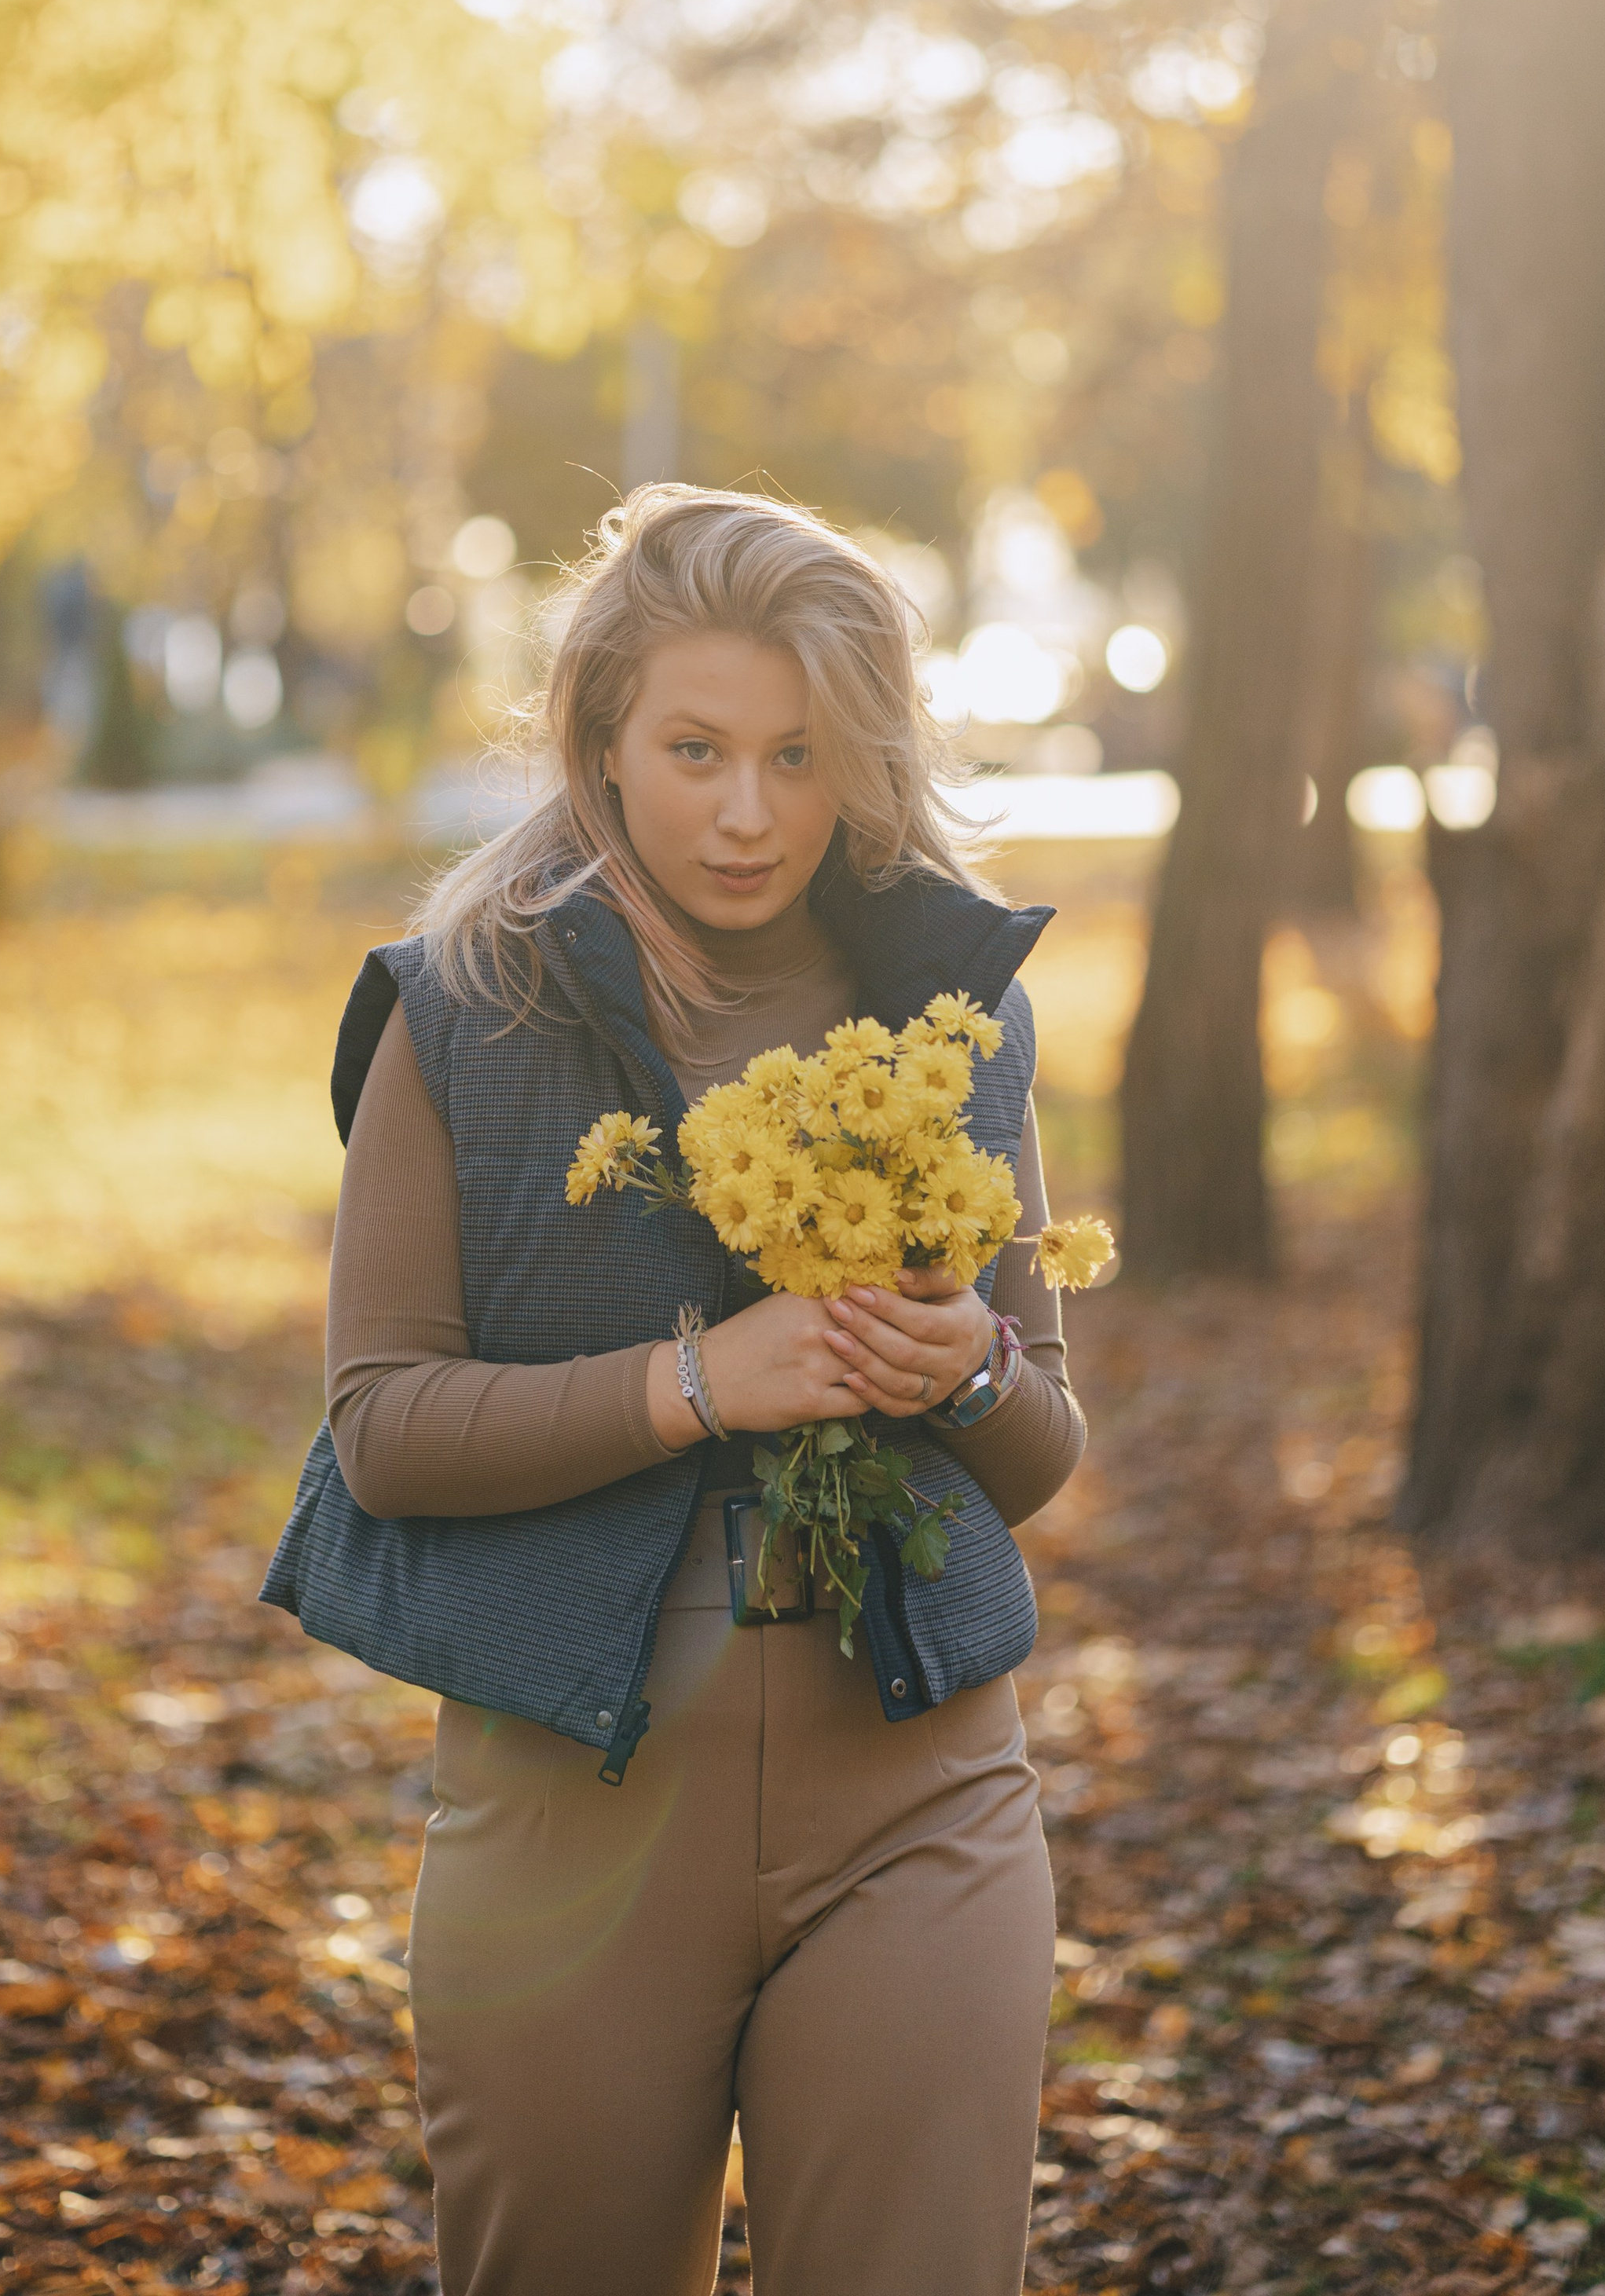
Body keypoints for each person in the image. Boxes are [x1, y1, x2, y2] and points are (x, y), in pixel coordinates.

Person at [263, 485, 1087, 2296]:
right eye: (694, 747)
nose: (745, 810)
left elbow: (1039, 1456)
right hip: (577, 1810)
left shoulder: (955, 1013)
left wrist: (965, 1364)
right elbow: (381, 1428)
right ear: (598, 742)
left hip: (922, 1796)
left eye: (797, 755)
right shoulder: (460, 1008)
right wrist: (695, 1381)